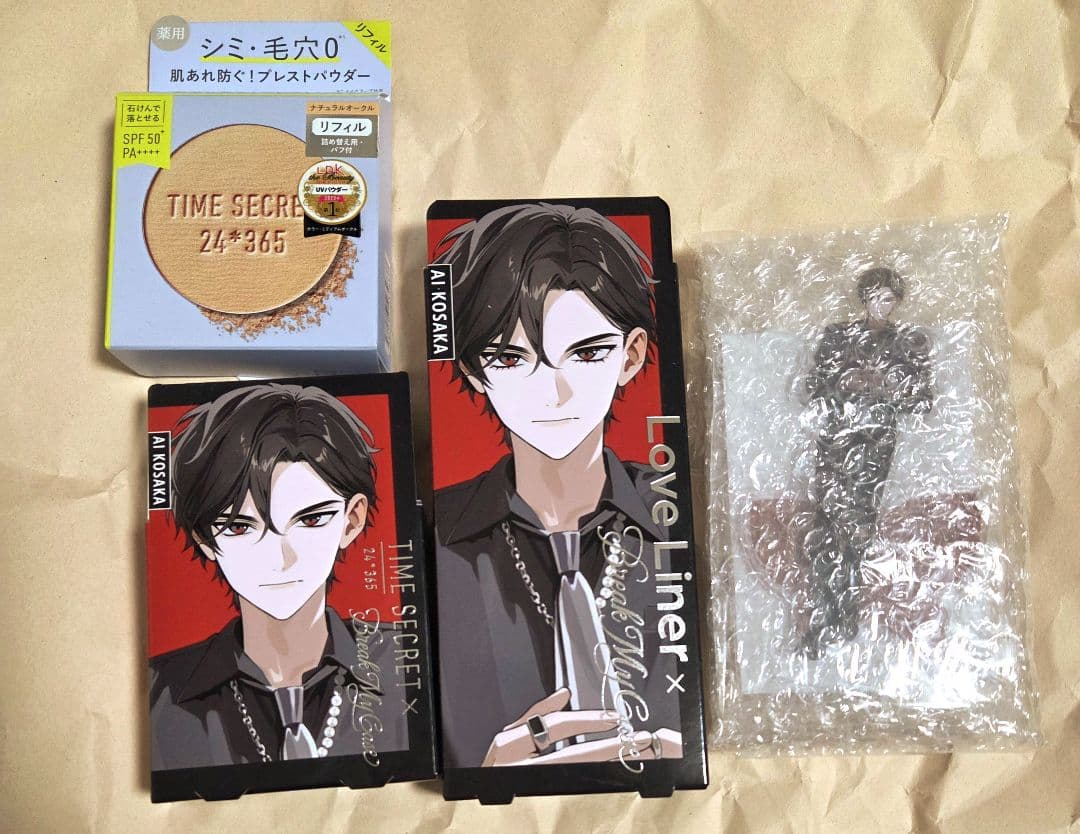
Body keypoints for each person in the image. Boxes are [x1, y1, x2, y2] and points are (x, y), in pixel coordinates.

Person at [432, 203, 683, 769]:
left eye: (587, 353)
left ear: (631, 355)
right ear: (473, 370)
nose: (554, 391)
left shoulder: (677, 510)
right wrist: (486, 778)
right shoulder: (436, 539)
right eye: (511, 357)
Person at [150, 383, 405, 769]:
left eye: (310, 520)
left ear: (351, 520)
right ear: (204, 538)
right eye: (240, 527)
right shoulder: (158, 692)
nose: (279, 559)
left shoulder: (406, 661)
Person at [798, 267, 934, 657]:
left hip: (876, 447)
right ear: (864, 298)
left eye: (889, 298)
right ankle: (823, 617)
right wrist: (847, 383)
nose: (881, 305)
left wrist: (888, 387)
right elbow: (814, 387)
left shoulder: (909, 341)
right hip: (835, 442)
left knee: (859, 529)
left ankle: (846, 614)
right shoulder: (837, 336)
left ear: (897, 302)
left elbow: (922, 399)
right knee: (826, 525)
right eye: (875, 297)